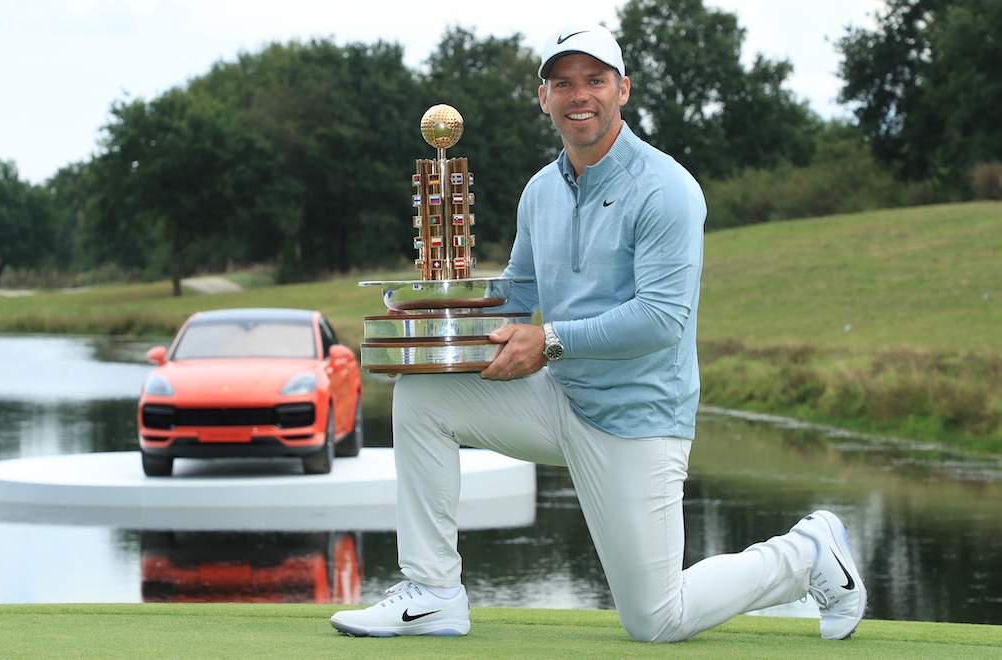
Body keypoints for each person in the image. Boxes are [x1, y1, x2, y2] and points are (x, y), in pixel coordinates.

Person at [330, 23, 866, 642]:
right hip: (561, 398)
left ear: (622, 90)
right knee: (423, 396)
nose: (578, 94)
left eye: (594, 80)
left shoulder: (667, 189)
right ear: (544, 98)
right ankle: (432, 593)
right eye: (563, 83)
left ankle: (808, 552)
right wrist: (436, 331)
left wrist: (550, 341)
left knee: (657, 620)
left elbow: (663, 318)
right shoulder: (540, 190)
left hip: (638, 416)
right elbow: (521, 295)